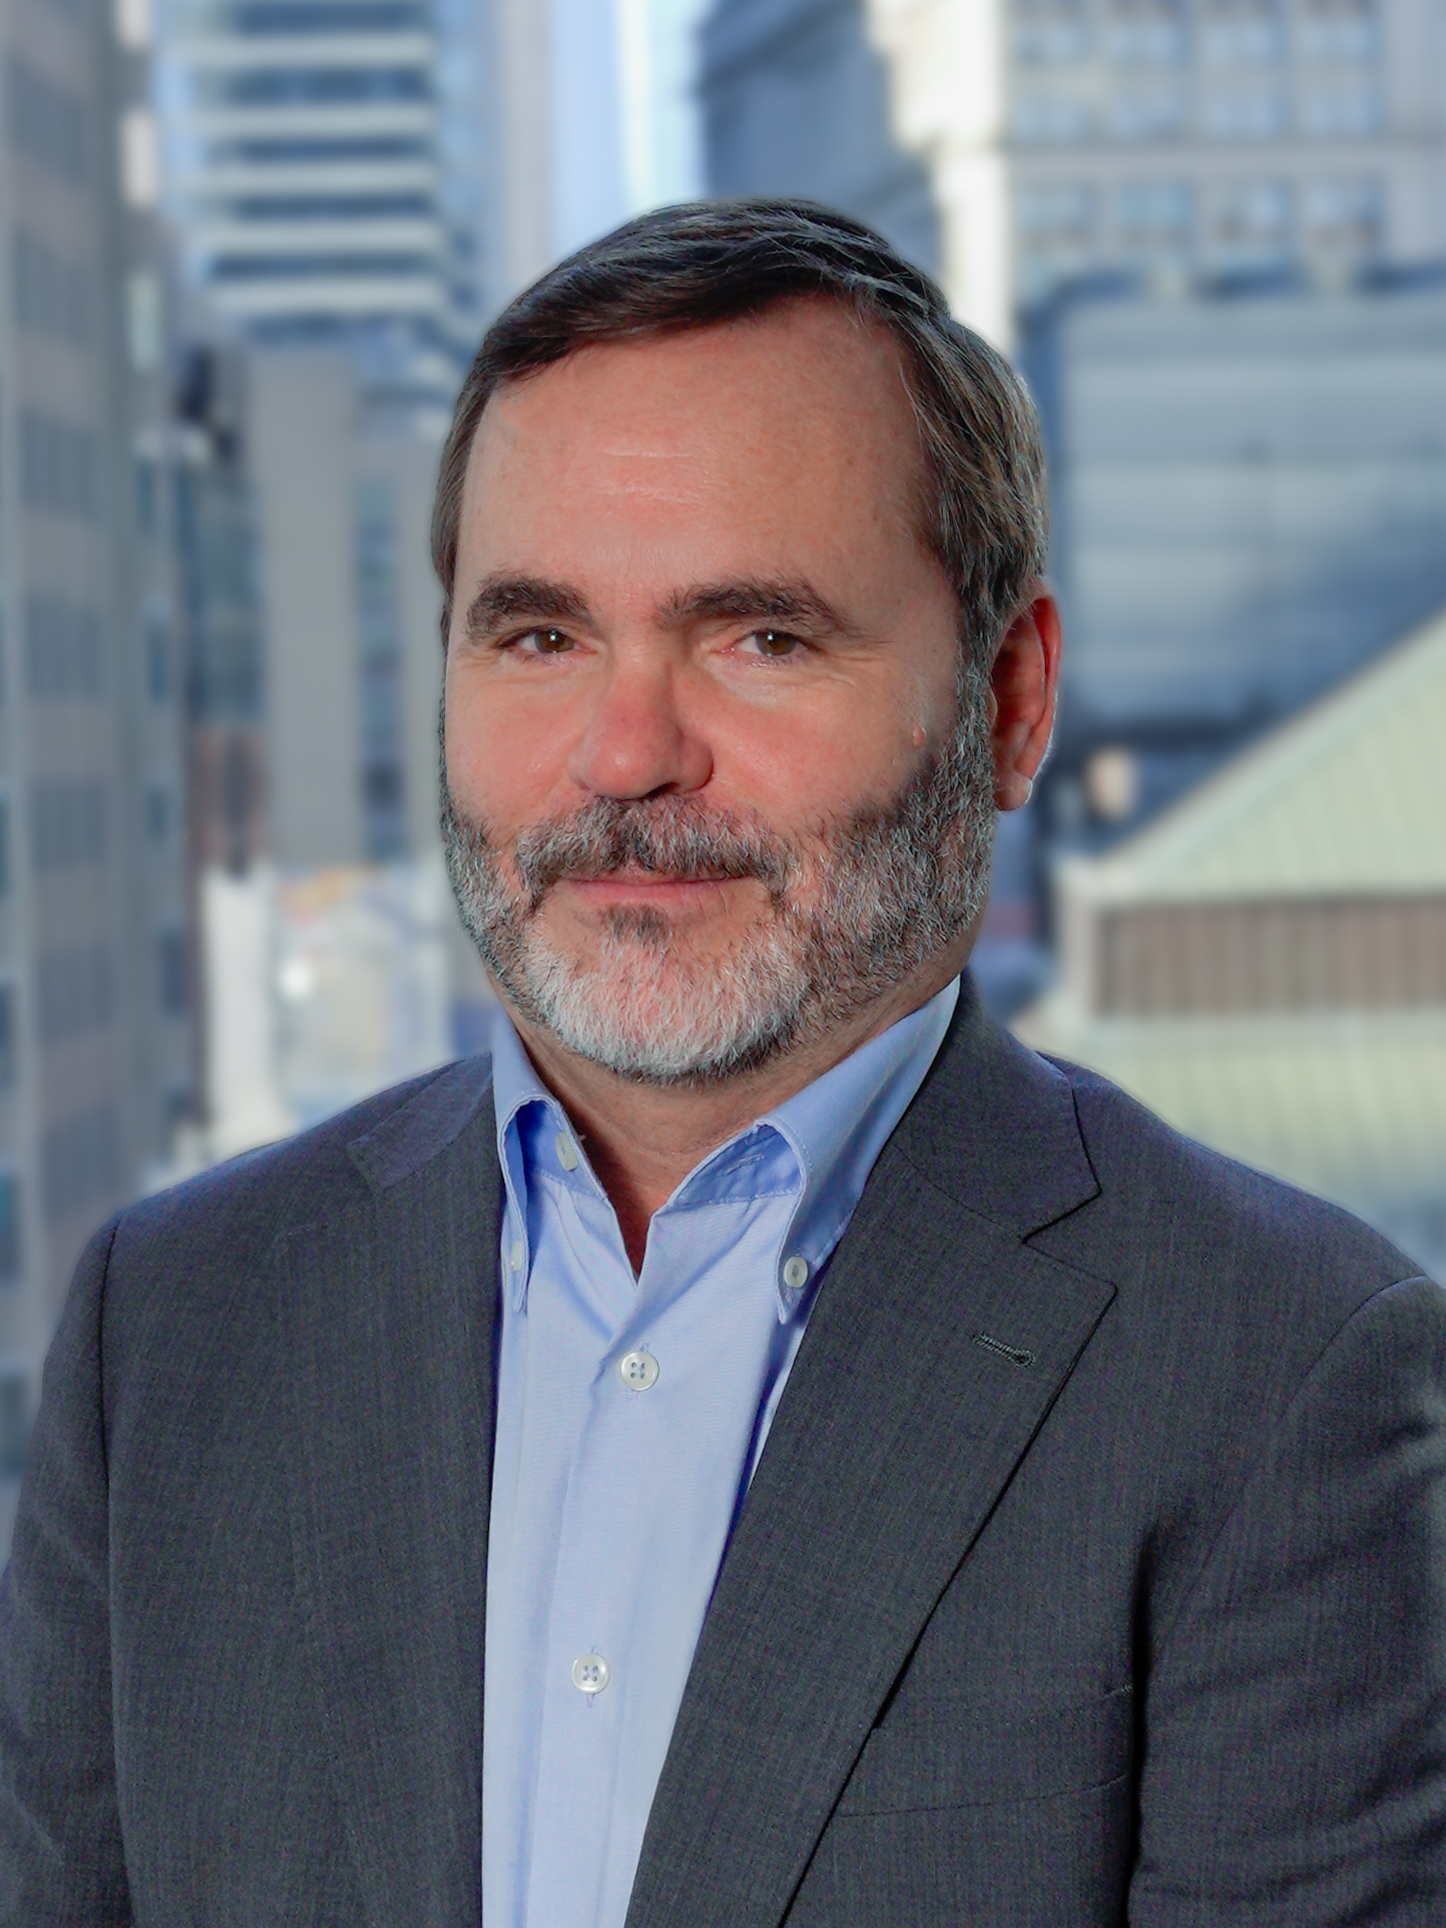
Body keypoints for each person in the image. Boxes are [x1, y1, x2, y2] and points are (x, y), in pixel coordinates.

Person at [2, 201, 1443, 1927]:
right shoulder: (174, 1328)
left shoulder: (1279, 1373)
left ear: (1008, 700)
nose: (624, 753)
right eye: (537, 636)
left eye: (757, 637)